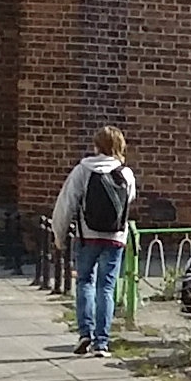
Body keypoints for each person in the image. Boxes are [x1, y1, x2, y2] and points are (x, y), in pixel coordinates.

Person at [50, 126, 137, 355]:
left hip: (87, 237)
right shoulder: (126, 174)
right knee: (106, 287)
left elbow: (66, 204)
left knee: (85, 282)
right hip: (115, 238)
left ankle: (84, 333)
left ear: (96, 146)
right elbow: (129, 200)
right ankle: (102, 342)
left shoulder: (83, 170)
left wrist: (58, 235)